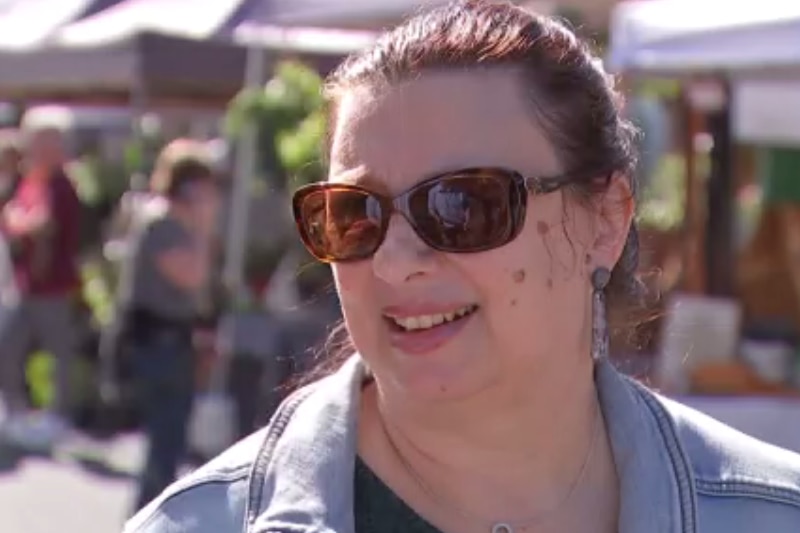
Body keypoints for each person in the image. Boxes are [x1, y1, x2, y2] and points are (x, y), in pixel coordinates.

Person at [125, 2, 800, 532]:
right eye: (354, 213)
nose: (395, 259)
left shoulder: (770, 514)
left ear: (606, 219)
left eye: (465, 205)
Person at [117, 140, 219, 512]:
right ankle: (148, 516)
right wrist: (204, 228)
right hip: (156, 340)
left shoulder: (173, 222)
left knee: (169, 439)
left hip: (172, 339)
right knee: (165, 438)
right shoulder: (163, 222)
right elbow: (190, 276)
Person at [0, 124, 81, 450]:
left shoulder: (61, 186)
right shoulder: (30, 182)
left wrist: (21, 221)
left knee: (59, 354)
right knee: (8, 347)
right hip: (25, 285)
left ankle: (58, 418)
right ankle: (16, 412)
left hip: (53, 288)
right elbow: (10, 216)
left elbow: (41, 223)